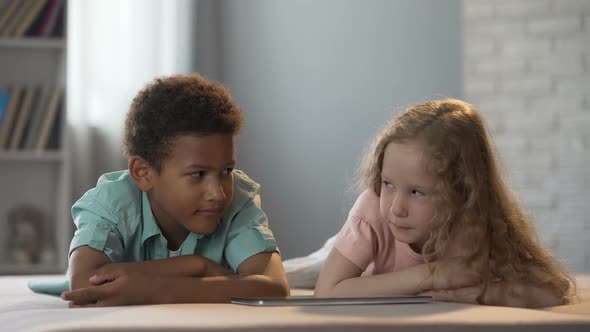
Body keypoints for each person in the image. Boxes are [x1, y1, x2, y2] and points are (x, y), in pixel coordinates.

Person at [314, 98, 576, 308]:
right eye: (388, 184)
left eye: (417, 192)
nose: (396, 208)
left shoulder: (476, 220)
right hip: (344, 253)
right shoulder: (372, 210)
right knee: (303, 271)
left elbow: (552, 289)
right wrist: (433, 275)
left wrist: (480, 293)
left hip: (366, 261)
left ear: (462, 191)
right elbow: (326, 291)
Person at [53, 74, 288, 307]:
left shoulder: (238, 199)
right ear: (143, 173)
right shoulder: (111, 203)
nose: (218, 193)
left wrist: (159, 287)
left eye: (226, 170)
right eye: (197, 174)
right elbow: (85, 286)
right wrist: (201, 269)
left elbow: (274, 288)